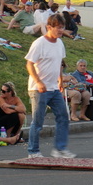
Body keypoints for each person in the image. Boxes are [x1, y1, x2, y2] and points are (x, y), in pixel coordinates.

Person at [25, 13, 74, 159]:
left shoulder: (60, 43)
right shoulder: (39, 43)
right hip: (39, 88)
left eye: (62, 27)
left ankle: (60, 149)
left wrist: (60, 80)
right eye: (57, 27)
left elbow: (59, 63)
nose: (60, 30)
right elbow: (29, 64)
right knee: (38, 120)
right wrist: (39, 82)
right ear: (49, 27)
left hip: (54, 87)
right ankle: (33, 151)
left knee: (63, 116)